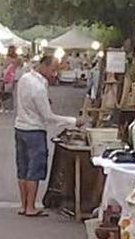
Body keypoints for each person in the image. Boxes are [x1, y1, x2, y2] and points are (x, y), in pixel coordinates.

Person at [15, 55, 84, 217]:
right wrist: (73, 121)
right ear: (44, 66)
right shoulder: (38, 88)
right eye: (53, 70)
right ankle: (30, 206)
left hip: (20, 127)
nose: (54, 74)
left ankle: (23, 205)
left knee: (22, 167)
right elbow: (48, 116)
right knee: (34, 168)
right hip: (34, 129)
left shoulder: (25, 79)